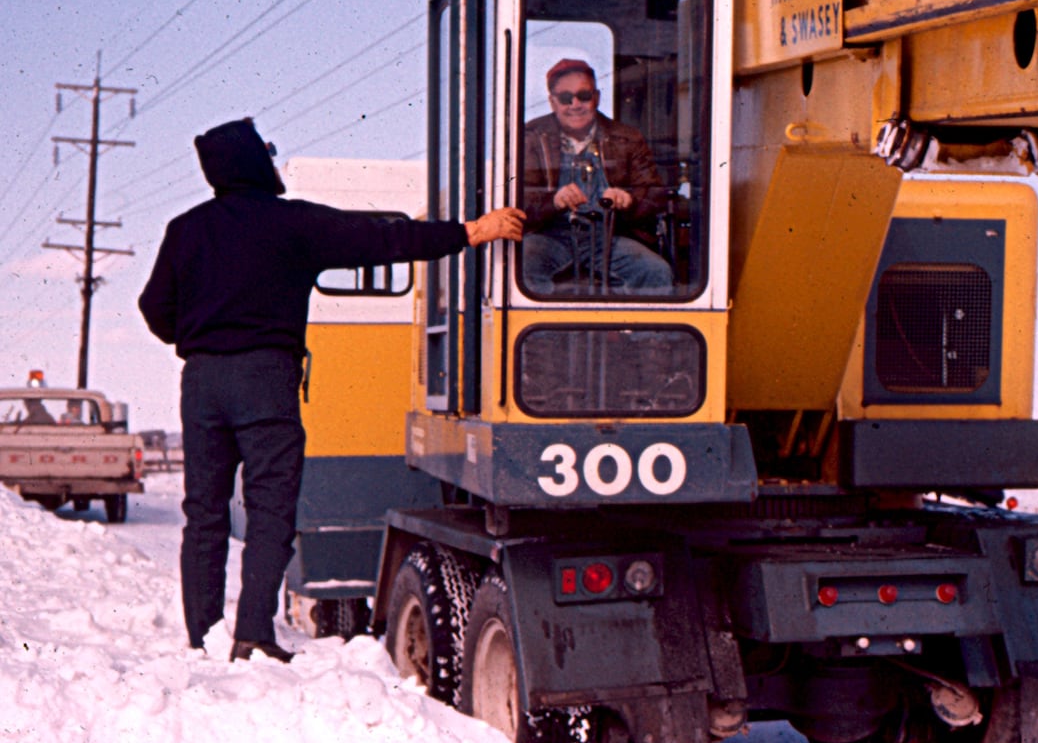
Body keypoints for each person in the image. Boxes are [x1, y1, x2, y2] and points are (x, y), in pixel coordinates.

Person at [138, 118, 524, 663]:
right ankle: (252, 634)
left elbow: (154, 309)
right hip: (265, 379)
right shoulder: (291, 222)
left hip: (201, 381)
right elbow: (386, 240)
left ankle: (203, 637)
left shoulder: (185, 229)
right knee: (270, 507)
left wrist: (201, 338)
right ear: (253, 162)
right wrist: (469, 232)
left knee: (203, 511)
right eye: (266, 151)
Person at [521, 58, 673, 294]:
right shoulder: (530, 137)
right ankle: (546, 332)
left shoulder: (627, 137)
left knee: (655, 271)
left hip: (608, 236)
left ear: (597, 97)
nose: (575, 104)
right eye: (565, 98)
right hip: (549, 237)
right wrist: (553, 202)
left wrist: (628, 200)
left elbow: (655, 195)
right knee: (522, 266)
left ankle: (645, 333)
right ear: (552, 102)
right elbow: (518, 200)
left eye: (584, 96)